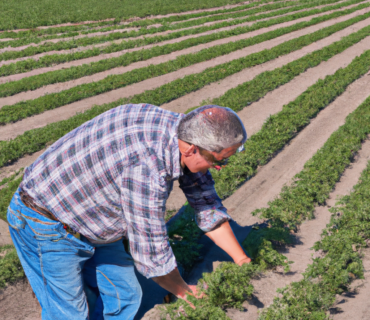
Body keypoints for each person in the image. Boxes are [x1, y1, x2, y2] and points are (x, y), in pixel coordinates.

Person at [7, 103, 252, 320]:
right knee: (69, 312)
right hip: (45, 220)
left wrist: (242, 260)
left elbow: (206, 204)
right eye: (217, 161)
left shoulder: (183, 132)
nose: (218, 168)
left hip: (93, 216)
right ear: (191, 149)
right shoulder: (147, 170)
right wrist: (184, 290)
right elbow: (151, 253)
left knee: (126, 297)